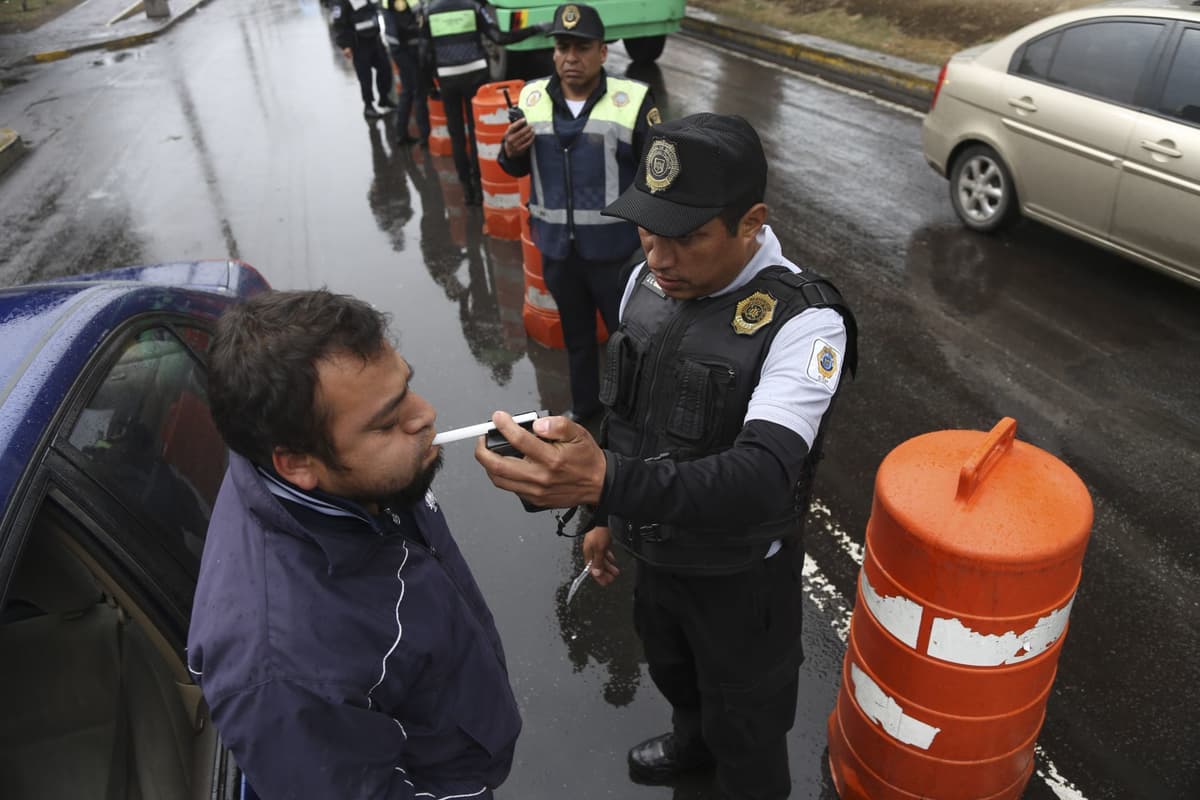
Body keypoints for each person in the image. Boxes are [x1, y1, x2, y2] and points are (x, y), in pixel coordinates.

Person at [476, 113, 858, 800]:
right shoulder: (645, 284)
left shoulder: (804, 322)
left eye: (685, 238)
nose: (659, 259)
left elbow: (762, 477)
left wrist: (607, 479)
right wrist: (603, 513)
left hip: (741, 578)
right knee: (673, 668)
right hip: (655, 555)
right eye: (649, 235)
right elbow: (628, 416)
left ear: (751, 222)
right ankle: (690, 745)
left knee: (747, 724)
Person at [187, 290, 521, 799]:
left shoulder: (346, 475)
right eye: (387, 423)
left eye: (407, 385)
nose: (425, 415)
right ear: (296, 463)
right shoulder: (284, 677)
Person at [498, 3, 660, 423]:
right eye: (563, 47)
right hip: (558, 253)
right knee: (579, 342)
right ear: (554, 52)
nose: (571, 57)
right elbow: (514, 164)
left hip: (616, 254)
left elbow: (658, 177)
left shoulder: (631, 100)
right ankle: (587, 415)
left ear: (602, 52)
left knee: (630, 342)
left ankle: (634, 419)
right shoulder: (531, 98)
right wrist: (510, 152)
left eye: (582, 47)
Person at [420, 0, 549, 204]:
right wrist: (536, 28)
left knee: (457, 136)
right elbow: (499, 37)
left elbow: (424, 55)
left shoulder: (430, 12)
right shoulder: (472, 7)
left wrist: (429, 87)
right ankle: (480, 189)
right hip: (475, 78)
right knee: (475, 133)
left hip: (447, 79)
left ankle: (467, 191)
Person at [331, 0, 397, 118]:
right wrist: (345, 45)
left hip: (374, 39)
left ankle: (383, 97)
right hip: (358, 43)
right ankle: (368, 106)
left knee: (385, 68)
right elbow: (339, 23)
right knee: (365, 77)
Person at [381, 0, 431, 146]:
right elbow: (405, 24)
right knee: (418, 91)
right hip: (406, 48)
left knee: (408, 91)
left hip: (401, 47)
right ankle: (425, 137)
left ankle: (401, 134)